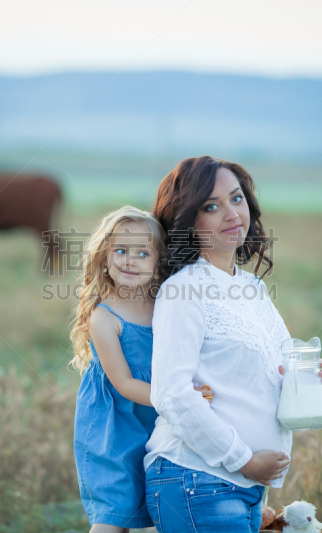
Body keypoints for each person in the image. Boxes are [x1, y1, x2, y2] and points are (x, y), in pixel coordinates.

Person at [144, 156, 322, 533]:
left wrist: (300, 382)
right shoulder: (183, 289)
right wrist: (243, 460)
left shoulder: (253, 289)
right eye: (211, 206)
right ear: (188, 220)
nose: (231, 213)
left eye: (236, 198)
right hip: (197, 479)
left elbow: (268, 372)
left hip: (244, 489)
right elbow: (172, 394)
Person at [69, 206, 215, 533]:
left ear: (158, 260)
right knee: (116, 509)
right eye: (120, 250)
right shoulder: (105, 317)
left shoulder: (166, 304)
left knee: (155, 499)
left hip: (157, 415)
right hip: (116, 425)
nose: (130, 260)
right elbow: (123, 383)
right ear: (104, 259)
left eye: (142, 253)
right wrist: (179, 399)